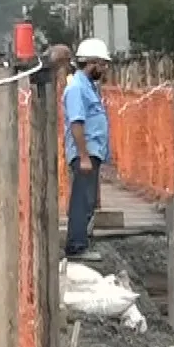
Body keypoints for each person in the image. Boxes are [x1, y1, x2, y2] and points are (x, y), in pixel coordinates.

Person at [62, 38, 112, 262]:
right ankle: (77, 245)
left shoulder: (87, 86)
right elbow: (77, 123)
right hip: (85, 153)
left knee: (88, 198)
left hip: (92, 152)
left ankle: (83, 240)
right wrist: (83, 155)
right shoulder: (76, 88)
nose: (104, 69)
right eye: (101, 64)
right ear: (91, 63)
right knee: (82, 199)